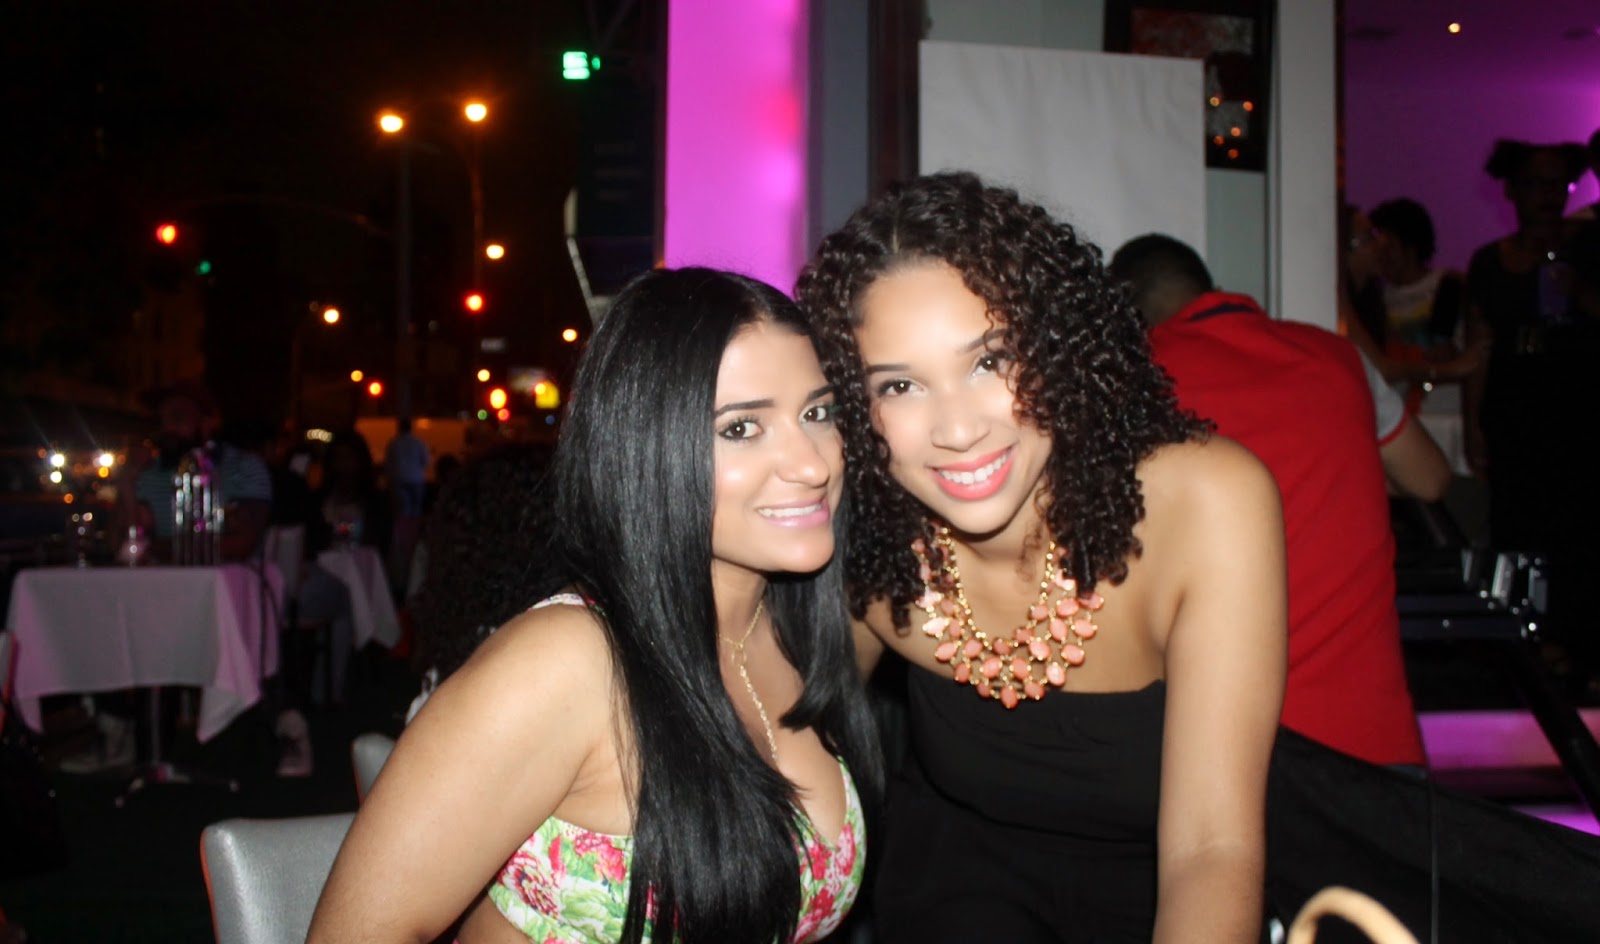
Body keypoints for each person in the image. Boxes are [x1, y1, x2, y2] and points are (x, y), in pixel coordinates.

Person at [309, 268, 882, 944]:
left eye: (818, 414)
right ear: (645, 447)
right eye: (741, 427)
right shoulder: (567, 663)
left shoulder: (804, 628)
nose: (813, 464)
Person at [796, 172, 1285, 943]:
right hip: (952, 902)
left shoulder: (1204, 502)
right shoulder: (870, 547)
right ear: (857, 411)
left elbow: (1210, 852)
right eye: (900, 386)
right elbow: (775, 751)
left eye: (990, 361)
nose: (958, 428)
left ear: (1060, 349)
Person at [1109, 232, 1442, 770]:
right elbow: (1429, 479)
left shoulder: (1132, 385)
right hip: (1371, 747)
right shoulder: (1340, 358)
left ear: (1127, 316)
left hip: (1224, 759)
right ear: (1211, 287)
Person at [1462, 139, 1598, 688]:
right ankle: (1521, 649)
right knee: (1516, 525)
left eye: (1558, 185)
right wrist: (1473, 423)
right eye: (1535, 184)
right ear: (1512, 191)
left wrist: (1580, 291)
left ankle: (1582, 647)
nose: (1548, 196)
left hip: (1581, 408)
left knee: (1582, 528)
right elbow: (1479, 345)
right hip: (1515, 408)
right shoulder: (1489, 262)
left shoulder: (1590, 247)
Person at [121, 378, 272, 563]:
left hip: (226, 579)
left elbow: (241, 544)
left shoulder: (242, 467)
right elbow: (122, 543)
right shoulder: (149, 473)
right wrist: (127, 485)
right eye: (161, 420)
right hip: (163, 578)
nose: (168, 428)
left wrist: (157, 549)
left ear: (207, 422)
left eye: (178, 418)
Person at [1356, 198, 1481, 414]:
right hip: (1403, 410)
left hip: (1448, 408)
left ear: (1411, 245)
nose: (1381, 255)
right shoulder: (1377, 299)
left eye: (1389, 246)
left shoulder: (1448, 284)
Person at [383, 417, 430, 519]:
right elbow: (426, 461)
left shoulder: (393, 443)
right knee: (416, 510)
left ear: (399, 428)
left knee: (402, 511)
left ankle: (403, 528)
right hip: (416, 479)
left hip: (398, 479)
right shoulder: (419, 443)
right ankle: (414, 528)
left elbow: (388, 463)